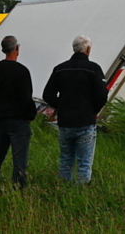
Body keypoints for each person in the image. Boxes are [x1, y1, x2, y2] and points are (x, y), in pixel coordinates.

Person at [43, 36, 109, 184]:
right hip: (85, 121)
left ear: (74, 49)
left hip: (65, 122)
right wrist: (93, 110)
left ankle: (64, 188)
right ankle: (81, 192)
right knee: (84, 162)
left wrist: (61, 106)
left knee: (65, 160)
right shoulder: (94, 69)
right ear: (88, 50)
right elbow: (102, 94)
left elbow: (47, 94)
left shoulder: (60, 68)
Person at [0, 35, 36, 188]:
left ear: (3, 50)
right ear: (17, 49)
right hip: (19, 122)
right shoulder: (22, 71)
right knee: (19, 158)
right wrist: (30, 116)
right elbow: (27, 98)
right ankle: (19, 186)